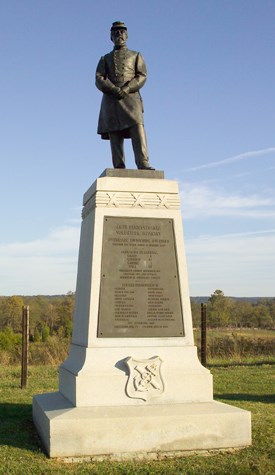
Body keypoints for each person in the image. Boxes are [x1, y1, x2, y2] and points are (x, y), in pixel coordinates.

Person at [96, 21, 154, 170]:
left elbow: (142, 75)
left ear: (126, 35)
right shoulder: (105, 58)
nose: (119, 35)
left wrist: (127, 88)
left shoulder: (136, 55)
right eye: (115, 33)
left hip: (131, 98)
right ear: (111, 37)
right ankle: (119, 166)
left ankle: (143, 162)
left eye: (121, 32)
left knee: (138, 128)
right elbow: (99, 79)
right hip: (112, 99)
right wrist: (113, 89)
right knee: (115, 133)